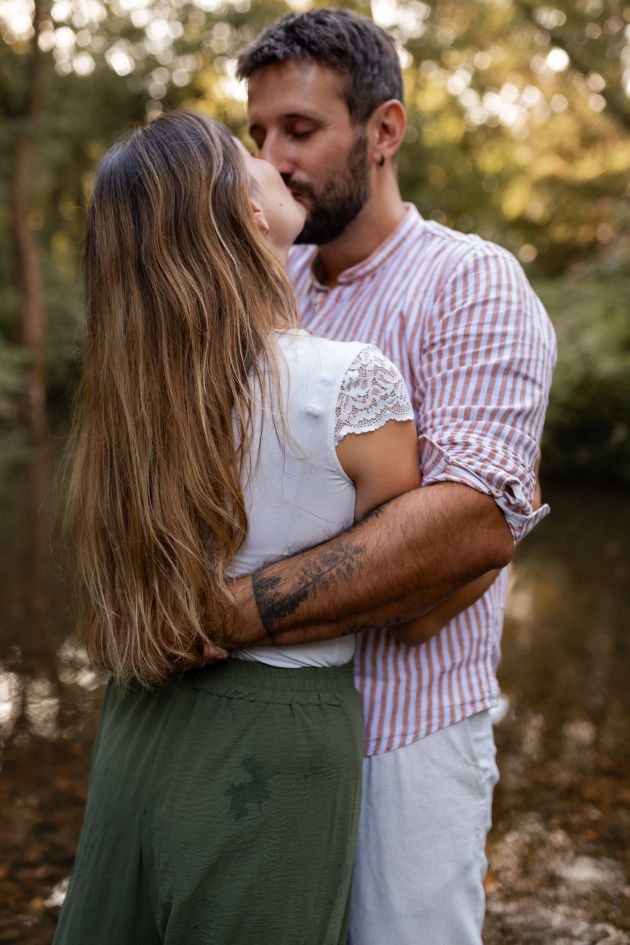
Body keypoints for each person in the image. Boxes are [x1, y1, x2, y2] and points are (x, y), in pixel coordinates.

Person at [53, 110, 494, 945]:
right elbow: (416, 598)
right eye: (248, 156)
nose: (271, 163)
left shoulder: (130, 403)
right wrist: (507, 505)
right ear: (249, 215)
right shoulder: (349, 383)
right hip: (275, 736)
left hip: (139, 720)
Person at [195, 9, 557, 945]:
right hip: (262, 729)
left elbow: (465, 533)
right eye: (260, 134)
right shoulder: (271, 289)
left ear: (384, 131)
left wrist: (220, 613)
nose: (272, 159)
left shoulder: (470, 283)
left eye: (302, 130)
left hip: (407, 736)